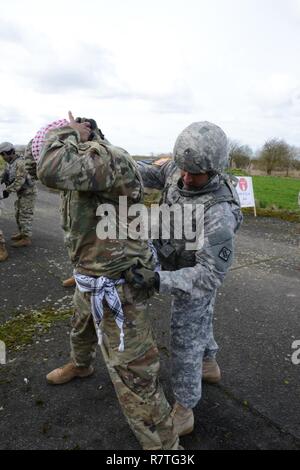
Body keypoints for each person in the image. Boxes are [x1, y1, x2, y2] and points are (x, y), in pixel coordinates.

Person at [37, 112, 181, 451]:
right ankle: (81, 365)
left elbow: (49, 166)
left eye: (69, 138)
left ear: (84, 138)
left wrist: (67, 131)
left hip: (118, 284)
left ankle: (164, 446)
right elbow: (39, 168)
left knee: (134, 373)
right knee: (80, 327)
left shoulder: (107, 160)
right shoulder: (83, 165)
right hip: (89, 275)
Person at [126, 121, 243, 437]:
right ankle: (210, 365)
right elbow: (144, 172)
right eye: (184, 171)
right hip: (171, 255)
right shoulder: (178, 171)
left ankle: (185, 408)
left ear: (215, 170)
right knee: (203, 319)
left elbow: (209, 275)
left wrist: (158, 281)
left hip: (194, 276)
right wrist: (107, 149)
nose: (186, 179)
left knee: (185, 336)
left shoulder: (220, 212)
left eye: (195, 174)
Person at [0, 142, 37, 247]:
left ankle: (26, 238)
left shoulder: (21, 163)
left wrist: (6, 191)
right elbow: (4, 175)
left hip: (28, 193)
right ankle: (22, 232)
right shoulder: (10, 163)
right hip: (21, 193)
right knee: (18, 213)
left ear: (10, 152)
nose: (3, 157)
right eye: (1, 155)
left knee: (25, 214)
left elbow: (19, 181)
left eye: (4, 154)